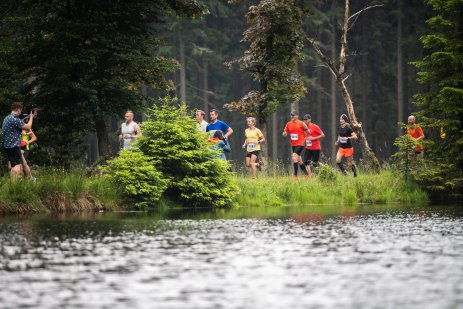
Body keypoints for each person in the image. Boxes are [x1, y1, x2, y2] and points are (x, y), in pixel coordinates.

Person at [1, 102, 35, 180]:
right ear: (17, 109)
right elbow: (28, 126)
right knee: (16, 166)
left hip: (7, 145)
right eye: (20, 110)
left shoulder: (7, 118)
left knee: (21, 162)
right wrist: (31, 117)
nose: (21, 112)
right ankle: (14, 185)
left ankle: (29, 179)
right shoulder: (15, 119)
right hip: (13, 146)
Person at [283, 110, 311, 179]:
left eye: (293, 115)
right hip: (293, 144)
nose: (292, 116)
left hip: (301, 143)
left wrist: (306, 128)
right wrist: (284, 134)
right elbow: (285, 133)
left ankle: (295, 176)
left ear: (297, 116)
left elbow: (309, 132)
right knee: (299, 161)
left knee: (294, 157)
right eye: (291, 115)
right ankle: (307, 175)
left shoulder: (301, 123)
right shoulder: (288, 124)